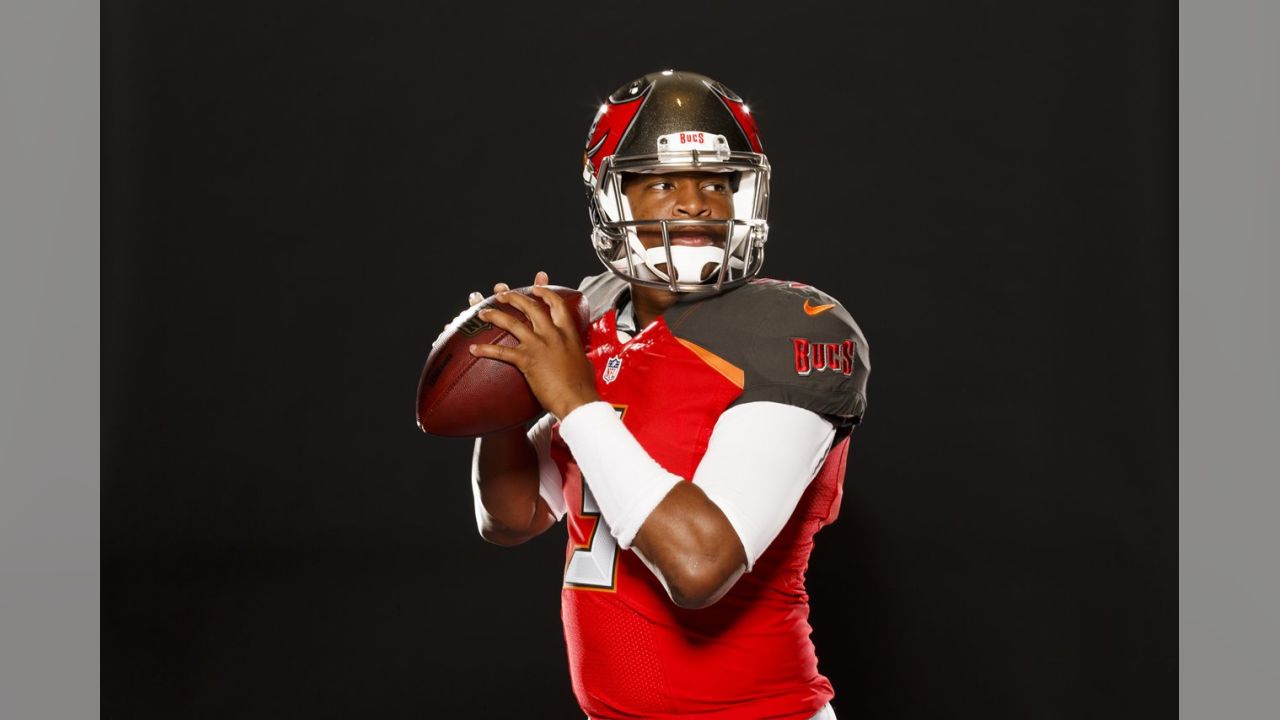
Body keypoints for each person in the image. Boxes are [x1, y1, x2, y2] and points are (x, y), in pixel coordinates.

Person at [463, 70, 870, 720]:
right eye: (660, 181)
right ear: (610, 194)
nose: (695, 203)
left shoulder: (790, 329)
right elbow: (512, 518)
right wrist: (504, 386)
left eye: (717, 181)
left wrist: (571, 398)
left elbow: (700, 565)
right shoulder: (592, 315)